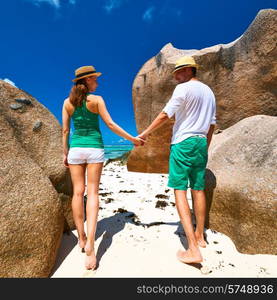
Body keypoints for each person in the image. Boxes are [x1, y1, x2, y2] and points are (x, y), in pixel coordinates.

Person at [62, 65, 143, 270]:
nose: (97, 82)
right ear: (87, 80)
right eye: (95, 79)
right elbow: (111, 125)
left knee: (77, 194)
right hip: (95, 149)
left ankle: (81, 237)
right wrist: (132, 138)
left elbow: (64, 131)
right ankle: (91, 244)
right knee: (93, 193)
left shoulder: (67, 103)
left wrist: (65, 153)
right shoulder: (96, 100)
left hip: (75, 150)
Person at [138, 56, 216, 264]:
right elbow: (211, 125)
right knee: (197, 189)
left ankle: (192, 249)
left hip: (183, 142)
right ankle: (200, 236)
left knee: (179, 189)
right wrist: (205, 147)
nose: (175, 76)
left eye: (179, 71)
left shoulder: (183, 89)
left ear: (190, 70)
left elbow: (165, 114)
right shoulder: (209, 92)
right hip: (200, 142)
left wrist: (145, 133)